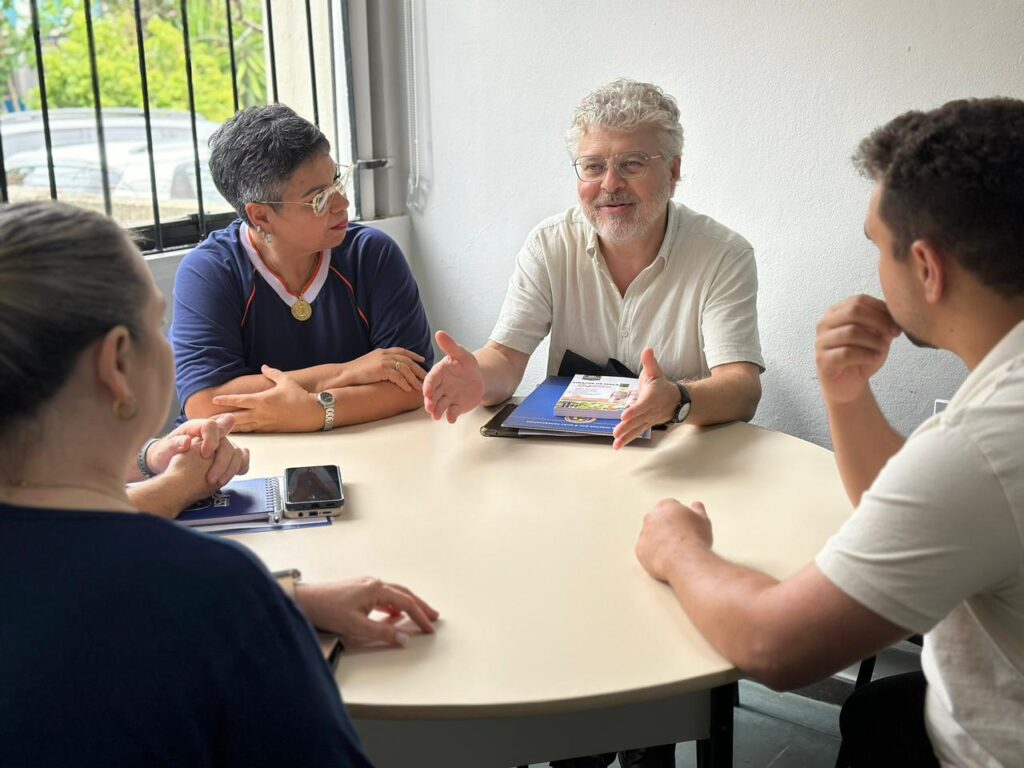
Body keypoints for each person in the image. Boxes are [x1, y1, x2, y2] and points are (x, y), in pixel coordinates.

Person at [635, 97, 1024, 766]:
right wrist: (846, 396)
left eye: (877, 247)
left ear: (927, 269)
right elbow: (929, 509)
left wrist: (678, 549)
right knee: (874, 718)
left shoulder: (984, 441)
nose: (874, 270)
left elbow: (774, 646)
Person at [0, 200, 438, 765]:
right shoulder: (218, 592)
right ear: (116, 364)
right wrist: (263, 605)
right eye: (158, 324)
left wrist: (290, 598)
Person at [424, 79, 764, 451]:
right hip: (571, 455)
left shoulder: (722, 255)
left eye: (631, 164)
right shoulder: (550, 244)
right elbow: (504, 358)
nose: (610, 183)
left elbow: (742, 388)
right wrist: (478, 377)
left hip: (678, 456)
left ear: (672, 172)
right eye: (593, 166)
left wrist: (677, 400)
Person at [172, 103, 433, 433]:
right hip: (244, 458)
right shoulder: (209, 271)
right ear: (261, 216)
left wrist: (314, 411)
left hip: (360, 445)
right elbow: (206, 404)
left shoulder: (371, 254)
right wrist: (345, 373)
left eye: (337, 182)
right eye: (319, 199)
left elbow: (412, 384)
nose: (342, 204)